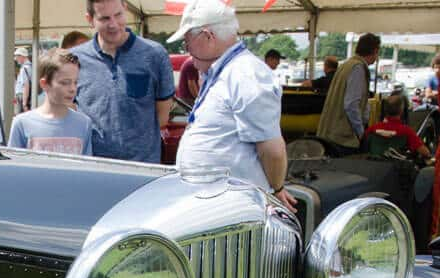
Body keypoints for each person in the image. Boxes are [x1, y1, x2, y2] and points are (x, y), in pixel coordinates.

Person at [167, 0, 297, 213]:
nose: (187, 49)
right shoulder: (226, 72)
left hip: (231, 210)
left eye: (187, 42)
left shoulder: (246, 74)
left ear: (207, 36)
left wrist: (277, 188)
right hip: (212, 205)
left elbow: (272, 149)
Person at [73, 0, 174, 162]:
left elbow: (162, 117)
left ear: (125, 9)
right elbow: (71, 114)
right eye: (105, 18)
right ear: (90, 20)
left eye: (118, 15)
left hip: (143, 170)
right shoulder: (75, 60)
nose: (113, 24)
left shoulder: (155, 54)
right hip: (93, 169)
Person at [8, 49, 93, 156]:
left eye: (75, 82)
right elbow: (14, 168)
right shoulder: (21, 123)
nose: (72, 89)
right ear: (44, 84)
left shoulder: (84, 124)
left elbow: (86, 168)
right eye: (65, 83)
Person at [316, 33, 381, 154]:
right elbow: (351, 104)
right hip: (343, 138)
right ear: (375, 50)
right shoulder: (358, 68)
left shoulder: (346, 65)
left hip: (330, 133)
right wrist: (361, 133)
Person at [365, 94, 433, 160]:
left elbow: (364, 146)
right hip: (397, 169)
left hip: (373, 167)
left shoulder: (373, 128)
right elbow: (425, 153)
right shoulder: (406, 131)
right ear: (401, 110)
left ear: (384, 109)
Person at [13, 47, 33, 113]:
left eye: (17, 56)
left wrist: (24, 104)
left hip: (22, 97)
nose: (16, 59)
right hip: (25, 97)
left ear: (22, 56)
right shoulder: (30, 67)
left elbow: (25, 86)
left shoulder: (24, 69)